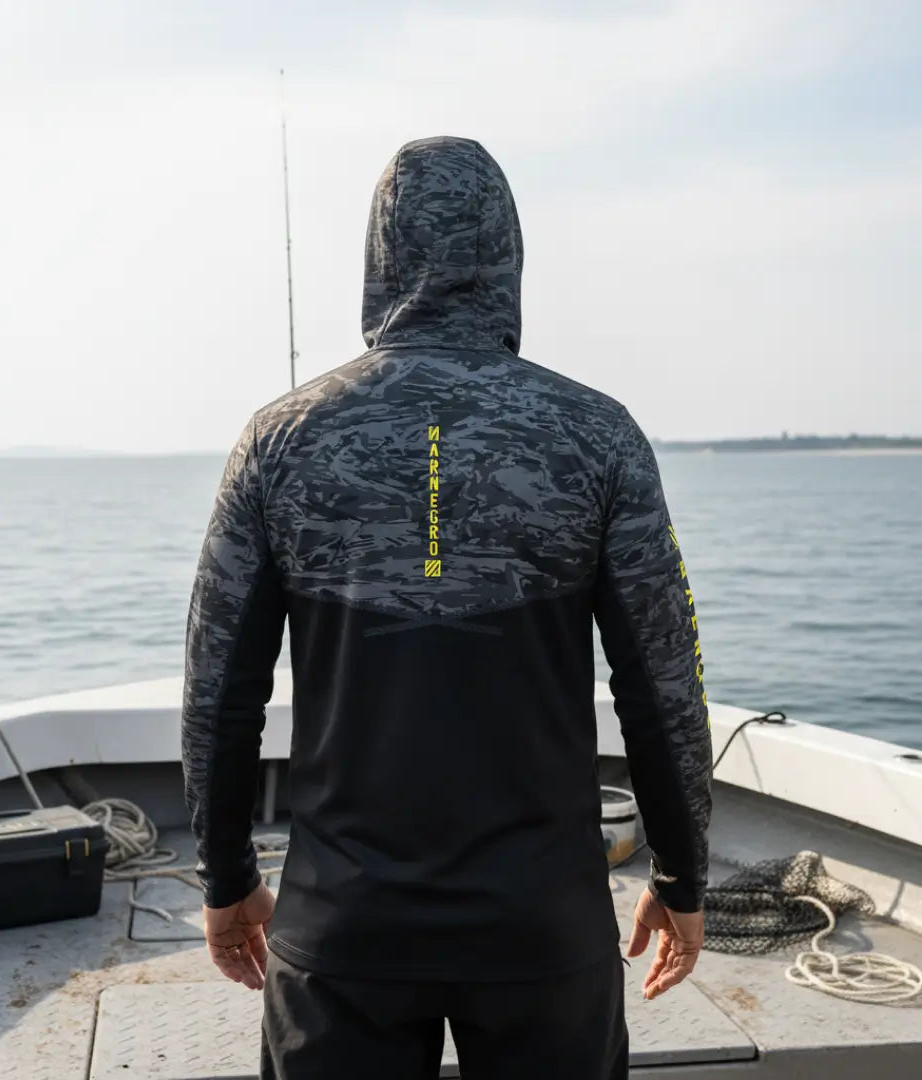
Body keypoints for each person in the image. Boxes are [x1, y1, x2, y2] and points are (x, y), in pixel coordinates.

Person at [182, 135, 713, 1080]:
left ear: (379, 256)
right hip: (543, 928)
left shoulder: (279, 438)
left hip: (342, 928)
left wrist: (226, 879)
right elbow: (660, 682)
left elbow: (220, 684)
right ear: (508, 255)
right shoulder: (598, 435)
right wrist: (679, 875)